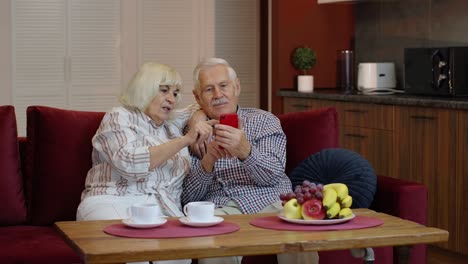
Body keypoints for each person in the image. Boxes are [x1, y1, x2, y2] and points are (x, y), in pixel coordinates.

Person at [181, 58, 319, 264]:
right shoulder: (191, 133)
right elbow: (188, 198)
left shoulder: (264, 121)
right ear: (198, 97)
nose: (218, 95)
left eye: (223, 86)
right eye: (209, 89)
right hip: (221, 208)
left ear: (236, 87)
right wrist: (208, 160)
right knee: (211, 252)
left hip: (271, 202)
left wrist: (245, 150)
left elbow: (273, 176)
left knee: (299, 241)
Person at [77, 62, 214, 264]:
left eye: (176, 93)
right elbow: (130, 163)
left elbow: (199, 104)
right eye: (164, 90)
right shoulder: (120, 116)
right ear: (144, 87)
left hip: (160, 207)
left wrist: (197, 119)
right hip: (113, 199)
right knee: (134, 254)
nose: (171, 99)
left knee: (178, 257)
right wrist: (185, 140)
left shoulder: (170, 125)